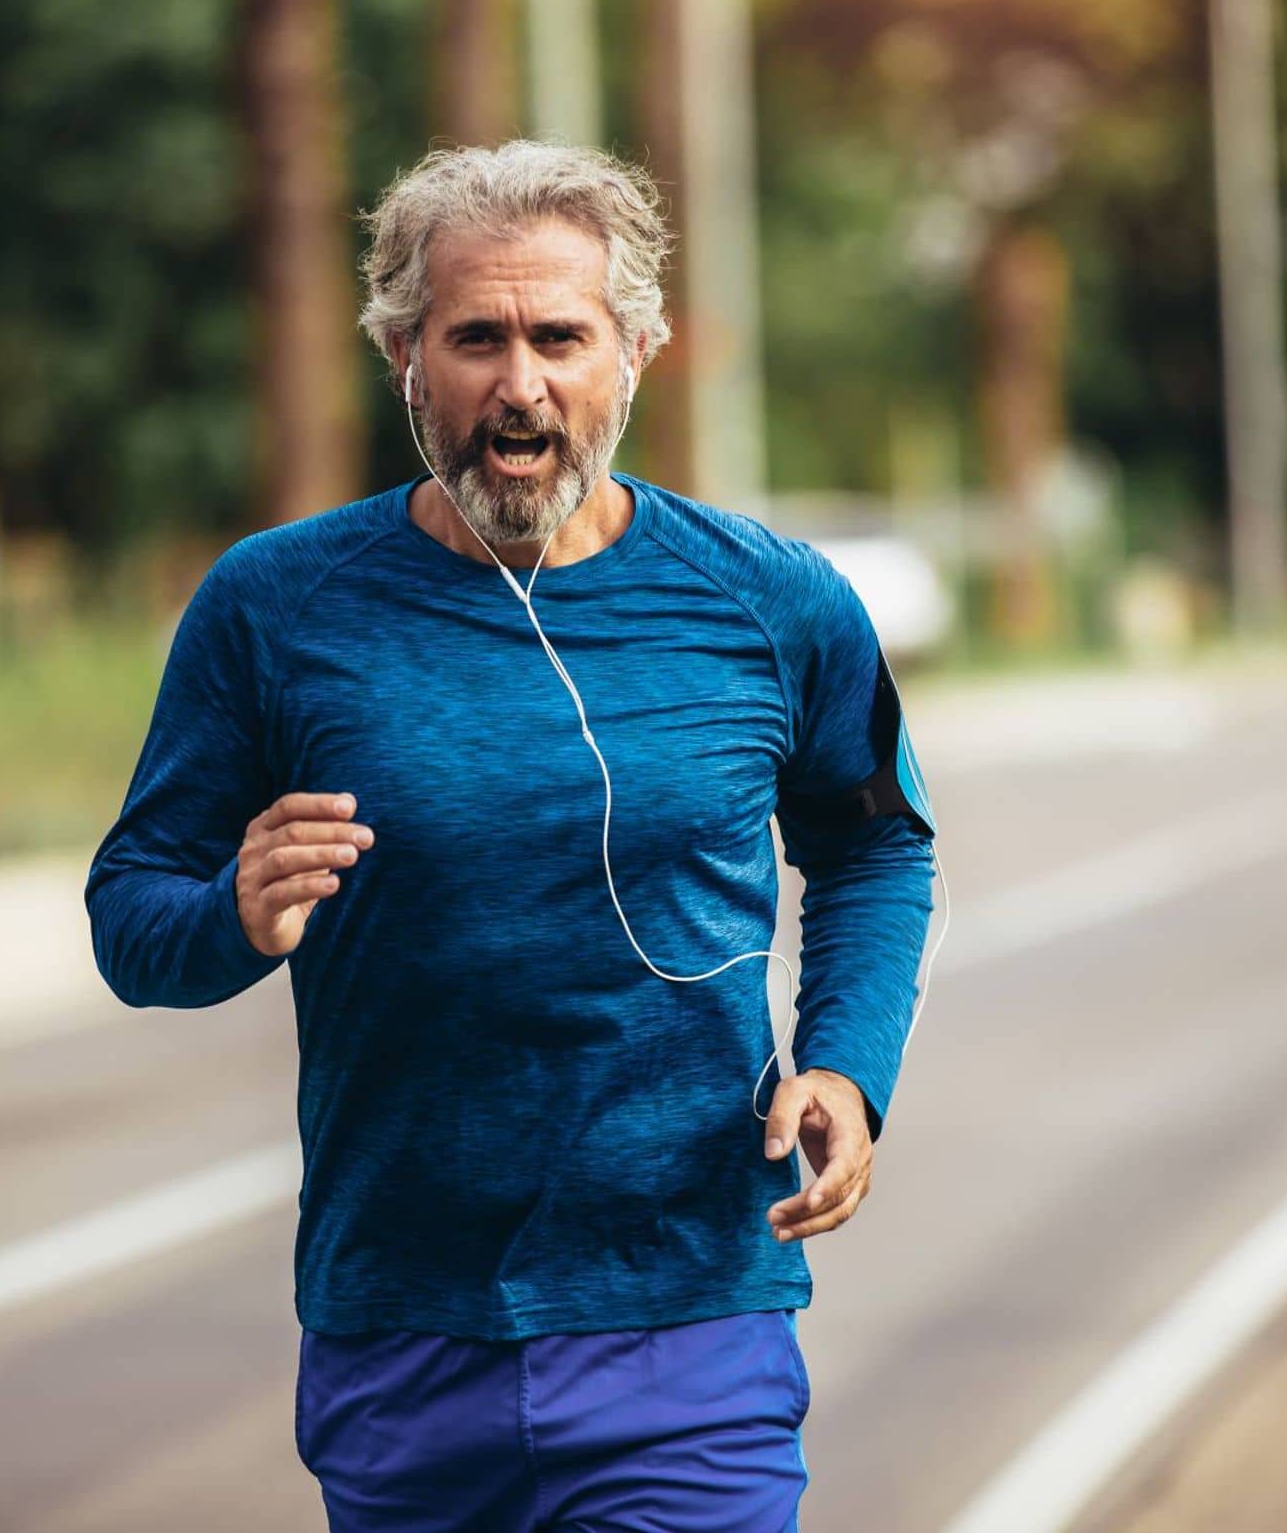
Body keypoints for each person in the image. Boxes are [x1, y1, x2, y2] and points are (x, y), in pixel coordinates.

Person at [85, 139, 941, 1532]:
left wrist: (849, 1065)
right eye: (475, 337)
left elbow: (875, 846)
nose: (520, 383)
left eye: (561, 335)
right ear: (403, 355)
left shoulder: (770, 601)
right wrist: (229, 914)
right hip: (401, 1326)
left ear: (637, 352)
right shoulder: (277, 608)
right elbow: (132, 921)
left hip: (689, 1313)